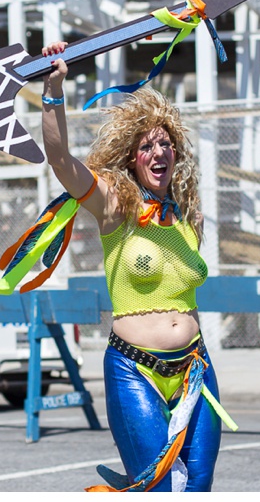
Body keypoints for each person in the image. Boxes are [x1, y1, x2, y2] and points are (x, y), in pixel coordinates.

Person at [35, 42, 236, 492]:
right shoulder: (115, 207)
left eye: (166, 143)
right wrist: (53, 90)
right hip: (134, 370)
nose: (158, 152)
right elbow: (60, 160)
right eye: (147, 146)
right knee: (160, 490)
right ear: (131, 157)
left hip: (195, 369)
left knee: (198, 488)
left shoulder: (188, 216)